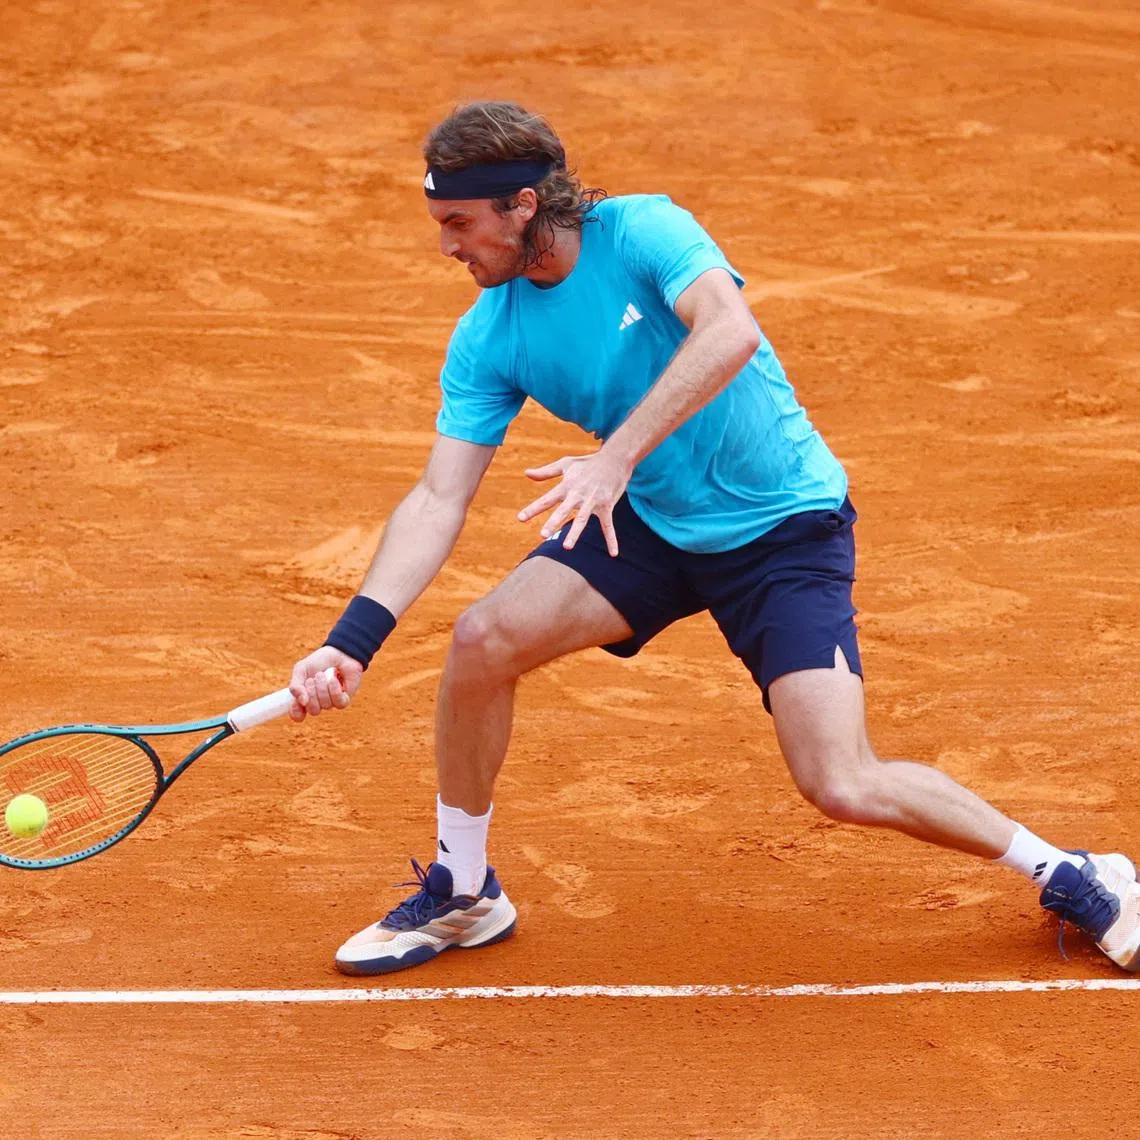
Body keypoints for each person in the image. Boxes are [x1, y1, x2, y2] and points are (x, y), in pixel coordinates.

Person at [287, 100, 1140, 977]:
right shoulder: (490, 337)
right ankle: (464, 889)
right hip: (653, 524)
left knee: (839, 780)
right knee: (482, 641)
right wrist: (353, 639)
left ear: (524, 205)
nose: (447, 247)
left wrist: (614, 458)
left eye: (459, 223)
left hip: (782, 532)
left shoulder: (645, 229)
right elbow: (437, 497)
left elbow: (729, 330)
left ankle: (1075, 872)